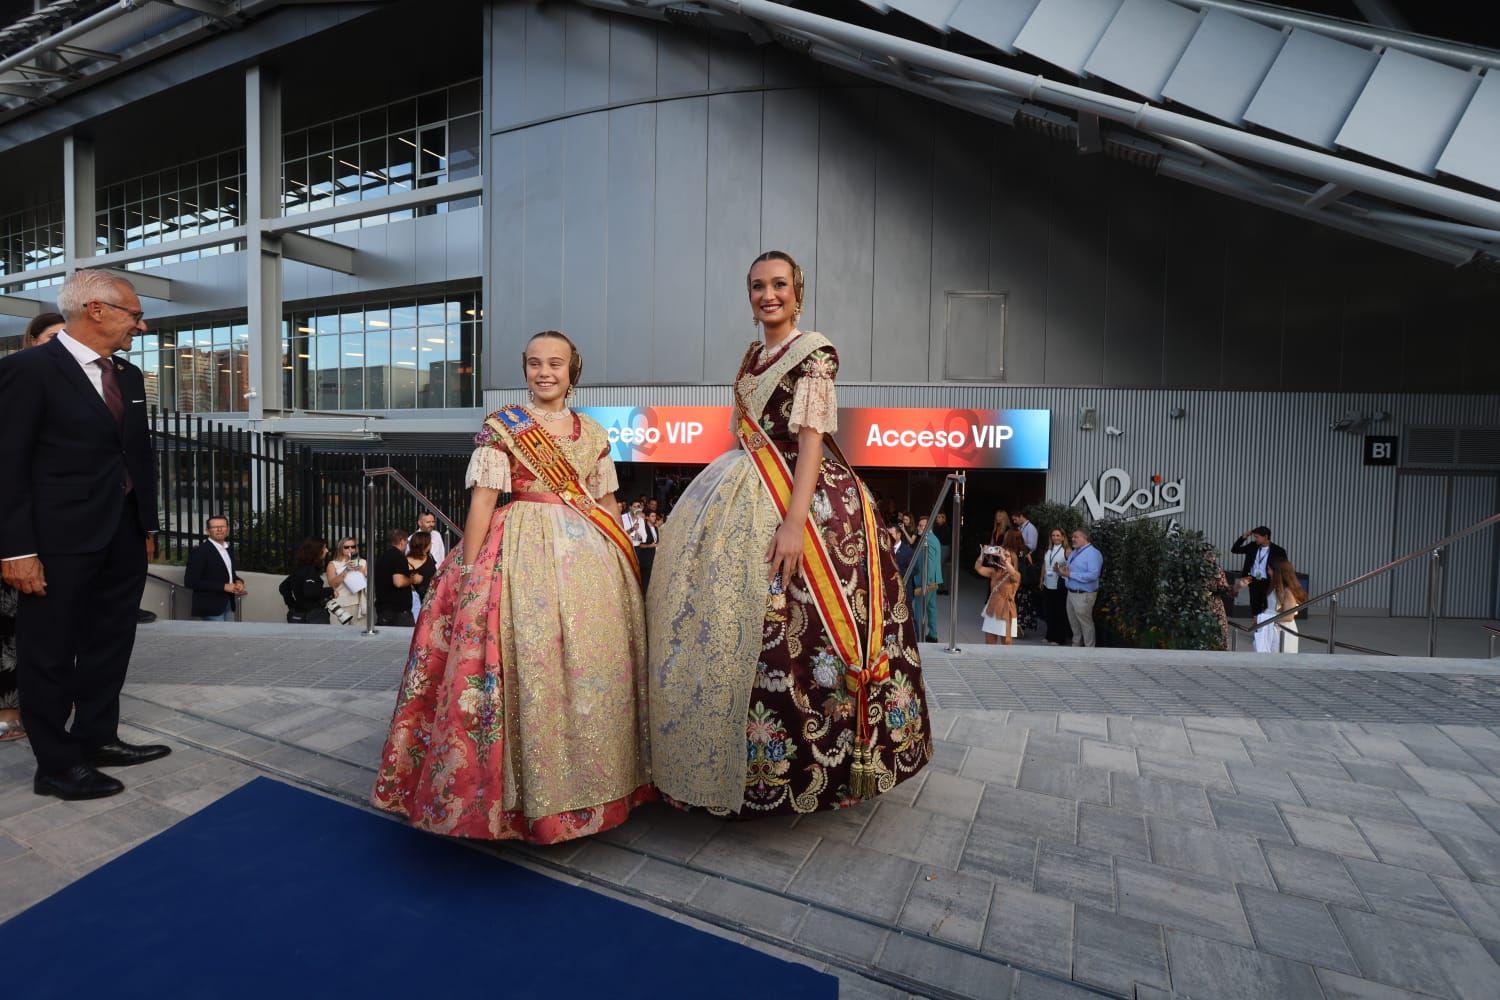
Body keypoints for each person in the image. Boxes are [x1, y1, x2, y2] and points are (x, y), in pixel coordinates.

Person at [647, 249, 931, 817]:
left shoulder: (813, 354)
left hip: (808, 501)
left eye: (779, 285)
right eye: (757, 286)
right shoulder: (754, 355)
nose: (767, 295)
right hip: (744, 486)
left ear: (798, 292)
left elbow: (809, 442)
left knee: (806, 625)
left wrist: (795, 524)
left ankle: (829, 767)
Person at [372, 329, 651, 843]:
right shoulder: (504, 426)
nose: (545, 372)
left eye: (556, 364)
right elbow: (483, 501)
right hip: (516, 546)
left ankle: (594, 786)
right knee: (528, 662)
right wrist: (471, 569)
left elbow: (605, 504)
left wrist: (623, 562)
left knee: (588, 667)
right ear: (524, 369)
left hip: (588, 555)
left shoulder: (590, 431)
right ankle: (514, 800)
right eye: (535, 364)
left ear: (573, 371)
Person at [0, 270, 169, 800]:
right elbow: (7, 465)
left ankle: (97, 738)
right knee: (47, 650)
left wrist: (145, 525)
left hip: (121, 534)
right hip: (55, 541)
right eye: (134, 314)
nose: (140, 325)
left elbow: (137, 457)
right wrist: (16, 549)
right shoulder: (28, 371)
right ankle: (54, 765)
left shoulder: (129, 374)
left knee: (111, 641)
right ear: (96, 310)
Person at [0, 314, 66, 743]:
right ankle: (8, 708)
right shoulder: (15, 381)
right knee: (7, 624)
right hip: (14, 532)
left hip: (56, 533)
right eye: (51, 339)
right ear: (31, 341)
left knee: (49, 627)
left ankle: (43, 701)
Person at [183, 515, 245, 622]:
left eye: (222, 526)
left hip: (228, 603)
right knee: (218, 638)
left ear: (228, 529)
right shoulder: (200, 551)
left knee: (228, 637)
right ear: (207, 531)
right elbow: (190, 581)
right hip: (210, 606)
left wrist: (238, 581)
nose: (220, 529)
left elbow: (229, 574)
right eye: (215, 527)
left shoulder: (228, 549)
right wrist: (224, 586)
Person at [1059, 527, 1103, 647]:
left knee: (1085, 623)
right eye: (1072, 537)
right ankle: (1076, 647)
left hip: (1083, 595)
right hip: (1071, 593)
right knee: (1074, 623)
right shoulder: (1075, 551)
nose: (1072, 539)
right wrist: (1062, 572)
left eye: (1076, 537)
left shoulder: (1093, 553)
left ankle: (1089, 650)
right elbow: (1071, 570)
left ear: (1085, 538)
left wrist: (1070, 574)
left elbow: (1093, 575)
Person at [1230, 525, 1288, 617]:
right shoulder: (1252, 546)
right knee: (1255, 608)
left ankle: (1266, 629)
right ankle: (1257, 629)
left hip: (1269, 583)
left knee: (1268, 608)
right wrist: (1243, 537)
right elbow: (1234, 550)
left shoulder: (1278, 551)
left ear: (1265, 537)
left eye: (1257, 537)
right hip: (1254, 581)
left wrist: (1280, 584)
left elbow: (1284, 569)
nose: (1255, 539)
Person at [1255, 557, 1305, 654]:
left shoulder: (1288, 592)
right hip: (1273, 628)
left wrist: (1263, 618)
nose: (1268, 572)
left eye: (1269, 569)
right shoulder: (1275, 587)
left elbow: (1289, 616)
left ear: (1277, 572)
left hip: (1283, 631)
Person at [279, 537, 332, 624]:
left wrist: (293, 606)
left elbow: (283, 587)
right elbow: (310, 592)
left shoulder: (299, 569)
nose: (327, 551)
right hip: (314, 617)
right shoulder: (310, 570)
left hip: (298, 615)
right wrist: (329, 591)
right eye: (324, 548)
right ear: (316, 551)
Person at [976, 543, 1020, 645]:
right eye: (1001, 554)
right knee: (989, 643)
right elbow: (978, 568)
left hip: (1006, 611)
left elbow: (1013, 574)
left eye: (1007, 555)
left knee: (1006, 645)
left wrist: (1003, 557)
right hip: (992, 609)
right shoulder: (994, 571)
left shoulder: (1016, 574)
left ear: (1012, 560)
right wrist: (982, 554)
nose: (1002, 556)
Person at [373, 528, 414, 627]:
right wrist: (412, 579)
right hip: (398, 612)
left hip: (383, 608)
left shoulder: (382, 557)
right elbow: (398, 582)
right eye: (406, 542)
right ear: (402, 541)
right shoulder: (398, 557)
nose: (406, 545)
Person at [1003, 527, 1039, 637]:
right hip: (1024, 582)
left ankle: (1011, 625)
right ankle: (1020, 624)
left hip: (1012, 581)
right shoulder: (1025, 550)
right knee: (1022, 605)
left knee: (1011, 603)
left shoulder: (1008, 551)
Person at [1039, 528, 1072, 646]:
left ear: (1063, 537)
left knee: (1059, 612)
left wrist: (1062, 570)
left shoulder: (1066, 551)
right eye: (1053, 535)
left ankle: (1060, 638)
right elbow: (1044, 564)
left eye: (1058, 535)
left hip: (1060, 585)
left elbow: (1071, 565)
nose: (1055, 538)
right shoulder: (1049, 549)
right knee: (1049, 612)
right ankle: (1050, 635)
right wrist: (1041, 579)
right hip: (1048, 584)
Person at [325, 537, 366, 625]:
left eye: (353, 546)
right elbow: (332, 584)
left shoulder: (363, 562)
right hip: (340, 605)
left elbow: (364, 584)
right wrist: (345, 570)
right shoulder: (333, 564)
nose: (350, 549)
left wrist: (360, 572)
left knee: (358, 635)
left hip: (358, 604)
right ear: (340, 548)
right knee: (339, 635)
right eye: (346, 547)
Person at [914, 514, 943, 642]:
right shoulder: (931, 538)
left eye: (921, 526)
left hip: (927, 581)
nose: (918, 528)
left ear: (928, 527)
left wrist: (925, 583)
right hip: (932, 580)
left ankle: (918, 635)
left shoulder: (928, 540)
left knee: (919, 610)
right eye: (918, 525)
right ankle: (933, 635)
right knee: (931, 608)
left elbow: (930, 563)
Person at [1205, 551, 1236, 651]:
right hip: (1201, 604)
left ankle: (1221, 650)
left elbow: (1225, 588)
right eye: (1208, 560)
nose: (1211, 562)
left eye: (1213, 561)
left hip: (1215, 604)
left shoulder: (1217, 570)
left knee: (1221, 631)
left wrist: (1236, 588)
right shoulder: (1195, 570)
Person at [405, 530, 437, 618]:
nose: (431, 545)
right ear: (424, 545)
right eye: (430, 543)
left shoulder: (429, 556)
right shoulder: (406, 561)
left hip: (432, 597)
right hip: (418, 600)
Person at [635, 511, 660, 589]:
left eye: (655, 516)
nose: (654, 518)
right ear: (647, 517)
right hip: (645, 559)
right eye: (652, 516)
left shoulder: (656, 528)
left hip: (654, 558)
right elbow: (639, 544)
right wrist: (650, 546)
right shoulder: (643, 528)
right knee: (645, 581)